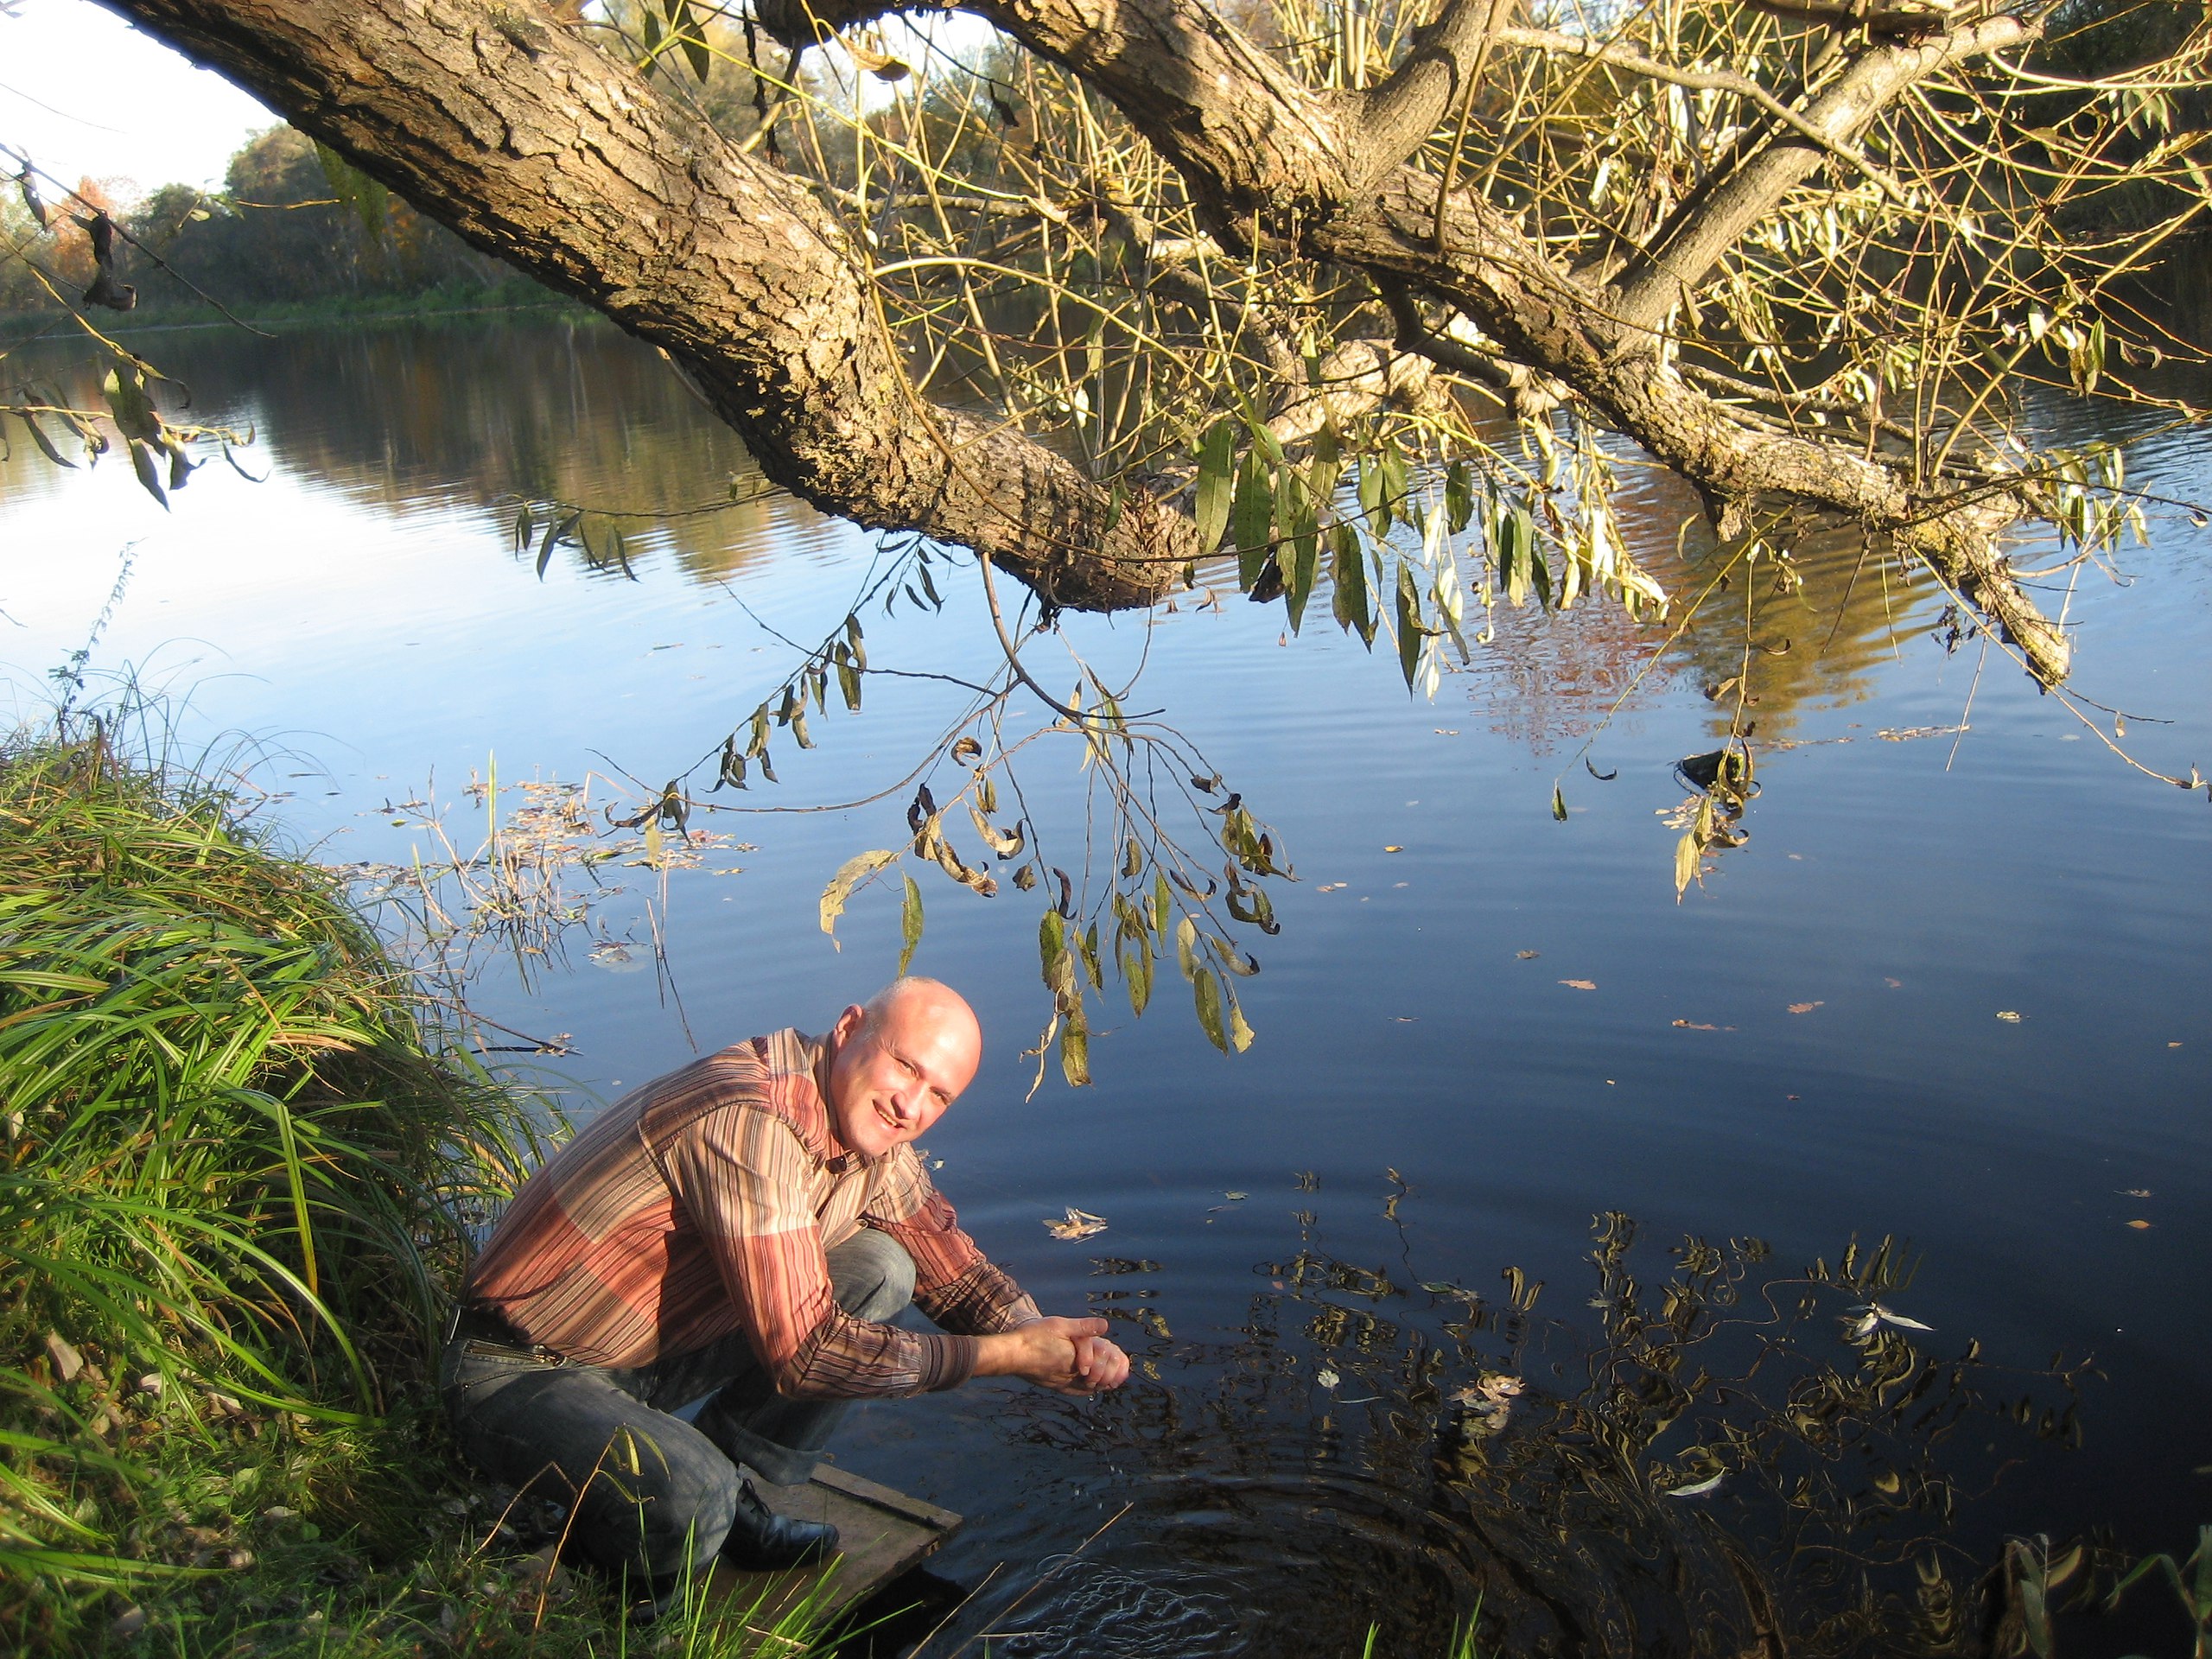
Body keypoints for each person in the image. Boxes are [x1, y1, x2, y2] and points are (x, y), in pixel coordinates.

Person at [439, 976, 1128, 1603]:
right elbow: (807, 1353)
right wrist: (1003, 1359)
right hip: (518, 1372)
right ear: (849, 1028)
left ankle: (729, 1483)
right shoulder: (752, 1122)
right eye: (906, 1066)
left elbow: (956, 1272)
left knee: (884, 1265)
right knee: (689, 1495)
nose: (909, 1105)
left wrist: (1051, 1339)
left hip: (640, 1358)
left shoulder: (868, 1136)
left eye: (939, 1095)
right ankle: (615, 1599)